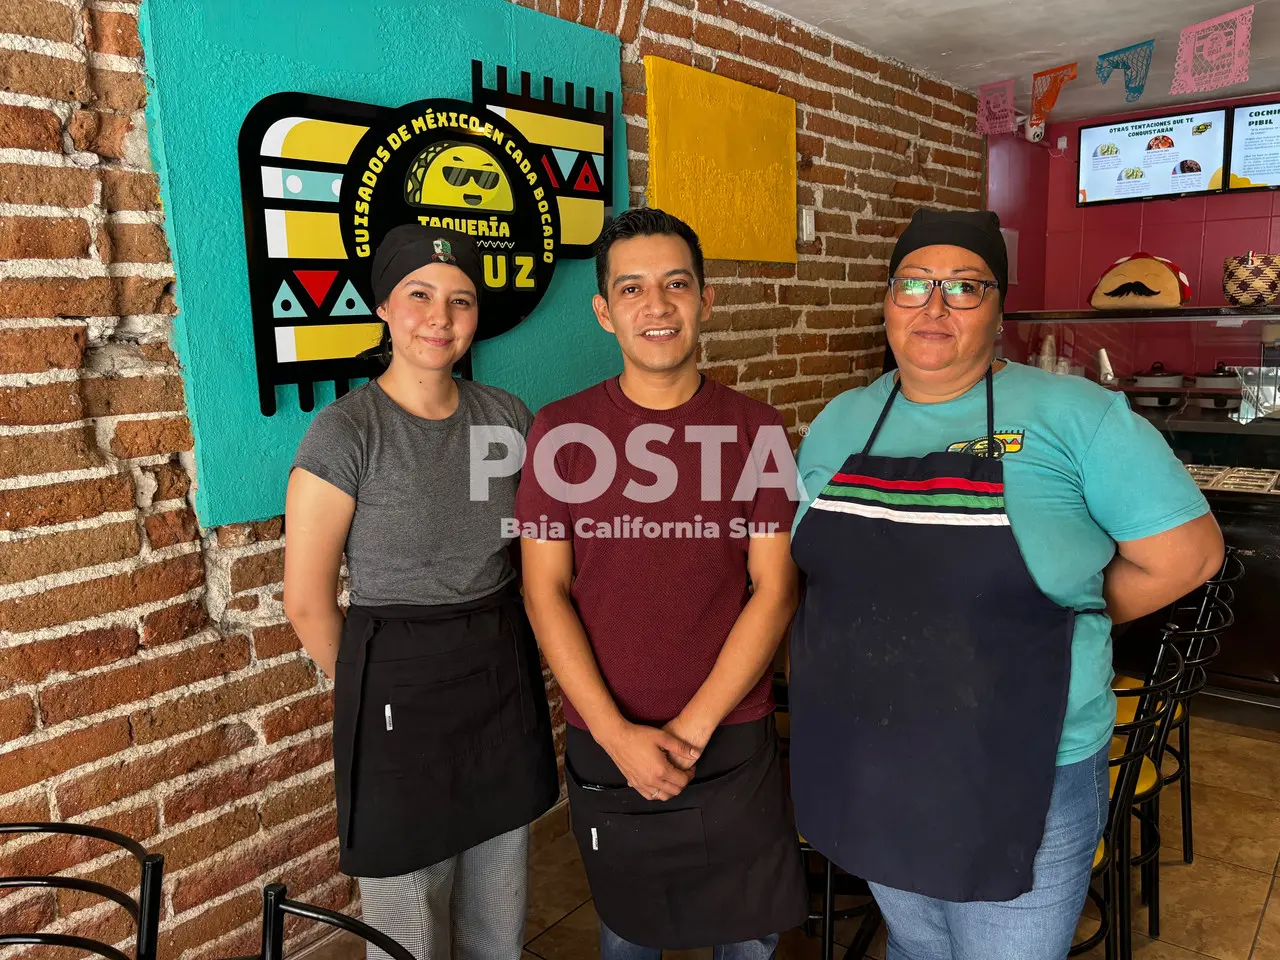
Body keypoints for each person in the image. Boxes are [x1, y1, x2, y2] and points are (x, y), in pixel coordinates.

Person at [788, 208, 1224, 960]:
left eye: (964, 287)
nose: (934, 305)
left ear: (999, 310)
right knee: (919, 944)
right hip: (875, 751)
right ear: (888, 300)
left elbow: (1189, 556)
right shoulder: (840, 421)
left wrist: (1049, 615)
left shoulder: (1076, 416)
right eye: (914, 284)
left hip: (1022, 758)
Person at [516, 207, 807, 959]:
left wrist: (691, 730)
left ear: (705, 300)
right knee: (630, 941)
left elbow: (774, 588)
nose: (658, 306)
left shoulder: (756, 430)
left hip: (731, 737)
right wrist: (618, 736)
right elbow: (543, 590)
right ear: (604, 311)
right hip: (608, 741)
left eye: (677, 284)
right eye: (634, 288)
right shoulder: (560, 432)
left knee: (748, 942)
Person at [283, 225, 557, 960]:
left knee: (499, 909)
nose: (440, 317)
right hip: (396, 684)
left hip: (498, 672)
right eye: (419, 295)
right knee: (407, 924)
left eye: (460, 301)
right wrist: (371, 696)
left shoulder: (507, 418)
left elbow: (538, 556)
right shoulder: (346, 433)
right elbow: (307, 600)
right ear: (383, 306)